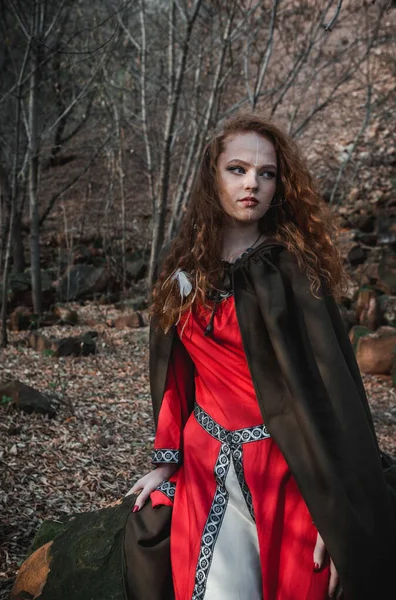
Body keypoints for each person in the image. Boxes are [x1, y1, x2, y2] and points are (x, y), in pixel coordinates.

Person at [125, 113, 396, 600]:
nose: (253, 183)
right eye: (238, 169)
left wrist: (336, 510)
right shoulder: (184, 267)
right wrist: (166, 462)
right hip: (207, 466)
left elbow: (333, 395)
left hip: (289, 468)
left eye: (267, 173)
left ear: (279, 184)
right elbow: (175, 375)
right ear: (213, 176)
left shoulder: (292, 272)